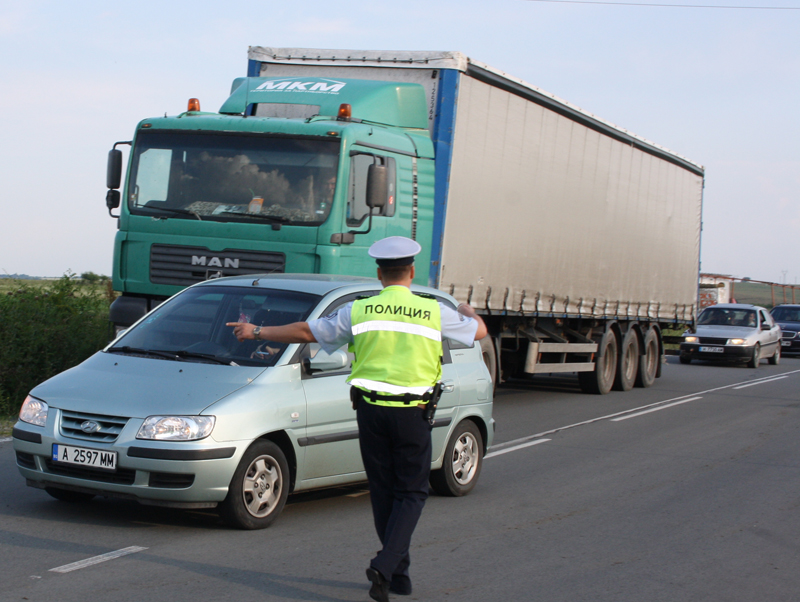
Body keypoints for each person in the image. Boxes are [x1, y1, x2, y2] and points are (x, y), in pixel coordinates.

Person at [227, 236, 487, 602]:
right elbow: (479, 332)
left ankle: (398, 575)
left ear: (380, 274)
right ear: (411, 272)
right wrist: (468, 311)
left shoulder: (361, 310)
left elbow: (306, 332)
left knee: (382, 491)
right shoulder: (433, 311)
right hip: (412, 413)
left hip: (370, 412)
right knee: (412, 492)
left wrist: (256, 331)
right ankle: (386, 563)